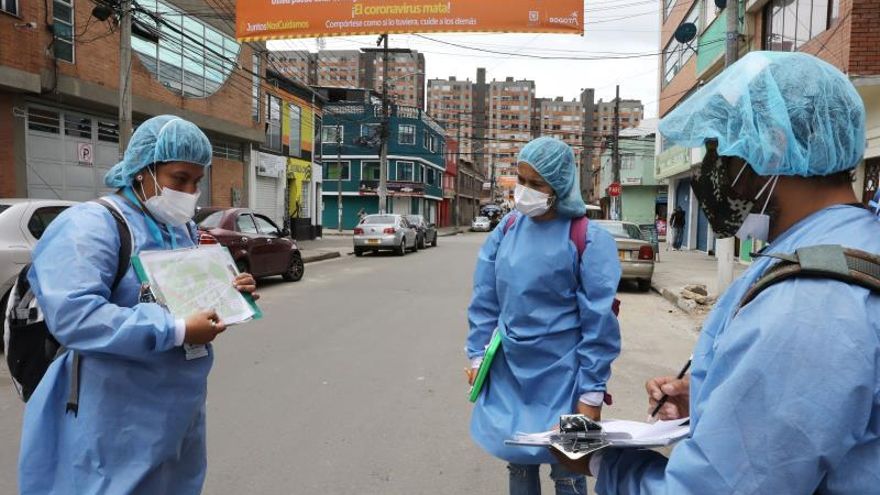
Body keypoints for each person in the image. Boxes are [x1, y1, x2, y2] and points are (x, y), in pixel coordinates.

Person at [560, 52, 880, 494]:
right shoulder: (850, 242)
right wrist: (714, 398)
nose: (712, 169)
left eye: (722, 149)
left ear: (773, 146)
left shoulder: (809, 302)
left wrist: (598, 462)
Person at [18, 115, 258, 494]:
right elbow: (76, 317)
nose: (189, 192)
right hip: (111, 411)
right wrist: (177, 329)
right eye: (179, 179)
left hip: (176, 408)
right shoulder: (89, 225)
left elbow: (183, 293)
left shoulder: (181, 229)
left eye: (196, 181)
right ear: (142, 169)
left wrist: (228, 294)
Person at [465, 137, 622, 495]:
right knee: (519, 463)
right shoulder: (505, 230)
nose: (524, 192)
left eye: (536, 184)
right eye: (521, 180)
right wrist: (477, 354)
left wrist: (592, 392)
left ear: (560, 185)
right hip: (511, 372)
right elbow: (485, 300)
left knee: (570, 468)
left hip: (568, 376)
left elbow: (599, 323)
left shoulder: (587, 238)